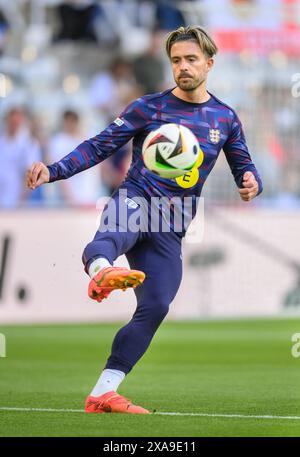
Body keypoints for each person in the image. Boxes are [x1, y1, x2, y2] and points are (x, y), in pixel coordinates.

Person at [26, 25, 263, 414]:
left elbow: (246, 170)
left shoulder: (225, 118)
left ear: (209, 63)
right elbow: (99, 146)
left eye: (190, 59)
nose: (183, 67)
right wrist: (54, 171)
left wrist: (252, 183)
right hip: (137, 198)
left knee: (156, 306)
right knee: (112, 236)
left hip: (173, 225)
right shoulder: (148, 107)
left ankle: (103, 391)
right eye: (176, 61)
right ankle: (101, 269)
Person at [0, 107, 42, 208]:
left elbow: (31, 174)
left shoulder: (29, 143)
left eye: (16, 122)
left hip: (17, 200)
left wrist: (20, 200)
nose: (13, 124)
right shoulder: (2, 140)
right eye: (11, 121)